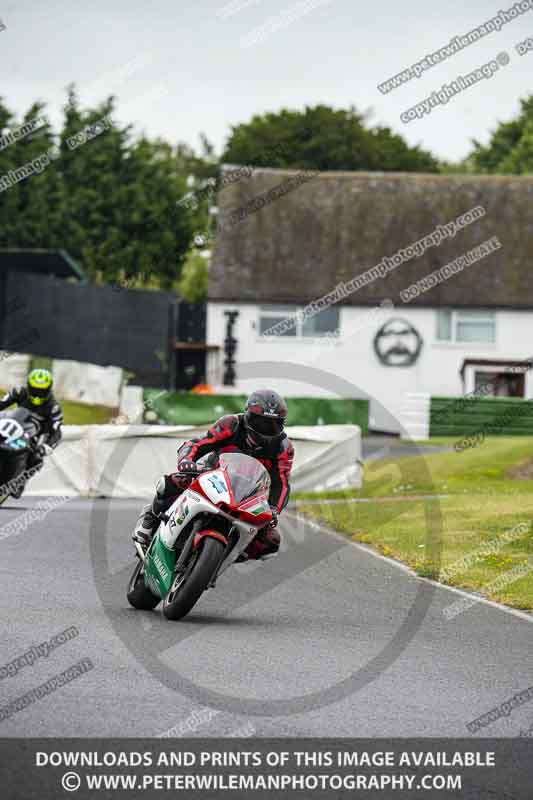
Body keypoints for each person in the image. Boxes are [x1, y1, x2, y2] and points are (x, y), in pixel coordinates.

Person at [133, 389, 294, 560]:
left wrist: (274, 508)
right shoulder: (231, 424)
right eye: (260, 423)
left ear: (281, 424)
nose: (266, 429)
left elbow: (281, 482)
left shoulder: (284, 447)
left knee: (271, 542)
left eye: (273, 425)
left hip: (247, 495)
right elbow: (197, 444)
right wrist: (187, 460)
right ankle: (150, 520)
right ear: (247, 416)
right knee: (172, 483)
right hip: (212, 475)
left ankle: (228, 554)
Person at [0, 368, 63, 496]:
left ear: (48, 389)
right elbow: (2, 403)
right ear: (29, 386)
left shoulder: (54, 407)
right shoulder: (19, 392)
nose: (37, 394)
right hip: (15, 425)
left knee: (37, 458)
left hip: (34, 435)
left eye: (41, 391)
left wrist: (47, 447)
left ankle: (19, 482)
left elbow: (57, 431)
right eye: (34, 390)